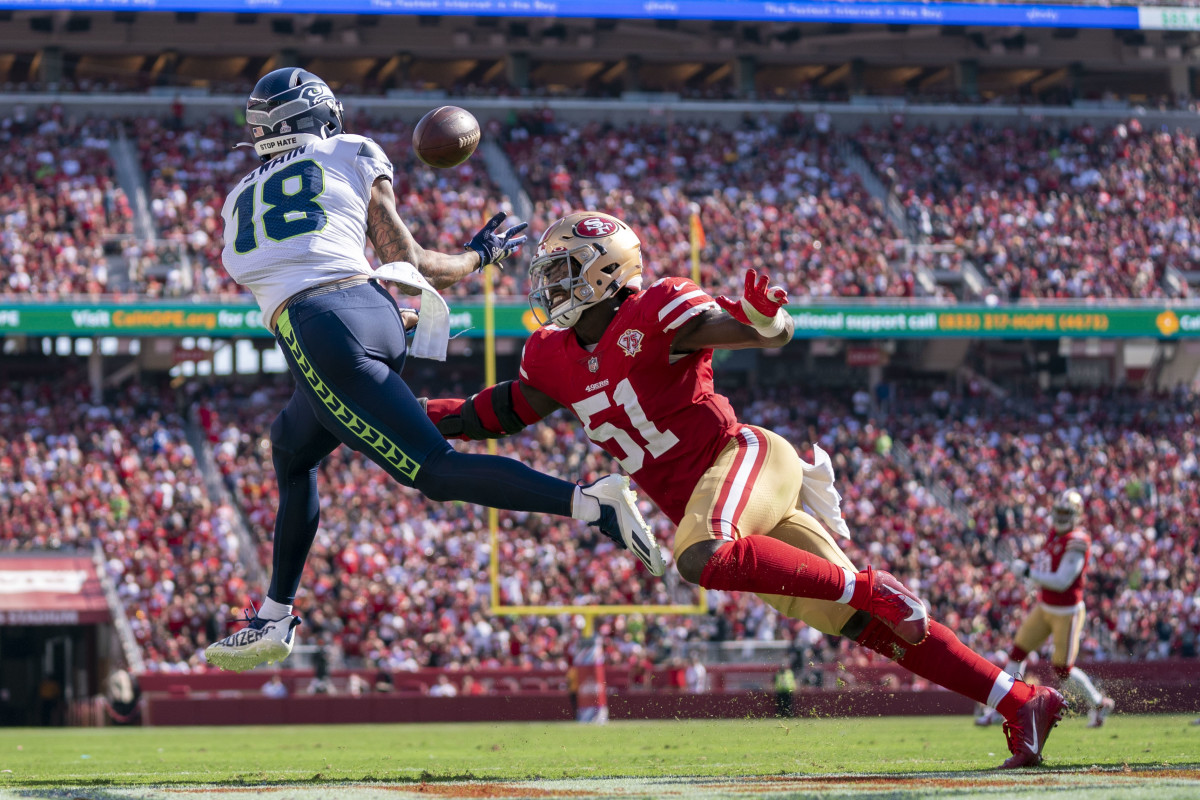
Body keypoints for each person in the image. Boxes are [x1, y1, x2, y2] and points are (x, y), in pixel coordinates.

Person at [421, 210, 1067, 768]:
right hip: (719, 510)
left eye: (564, 270)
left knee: (698, 556)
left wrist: (766, 320)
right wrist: (405, 412)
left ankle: (870, 584)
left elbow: (763, 331)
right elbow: (494, 413)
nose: (549, 284)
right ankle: (1020, 702)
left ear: (605, 272)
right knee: (869, 626)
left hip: (746, 461)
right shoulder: (553, 356)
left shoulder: (656, 308)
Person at [204, 70, 660, 674]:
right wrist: (480, 255)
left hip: (321, 333)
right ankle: (274, 615)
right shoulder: (352, 150)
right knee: (291, 448)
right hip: (369, 312)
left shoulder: (238, 201)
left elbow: (299, 274)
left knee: (435, 474)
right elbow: (409, 262)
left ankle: (591, 503)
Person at [976, 489, 1115, 728]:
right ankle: (1004, 707)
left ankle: (1099, 702)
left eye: (1066, 512)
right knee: (1017, 652)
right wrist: (1033, 577)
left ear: (1077, 515)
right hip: (1045, 606)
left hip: (1067, 612)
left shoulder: (1077, 541)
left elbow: (1062, 581)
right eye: (1058, 511)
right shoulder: (1054, 534)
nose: (1061, 517)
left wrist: (1030, 573)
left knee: (1062, 669)